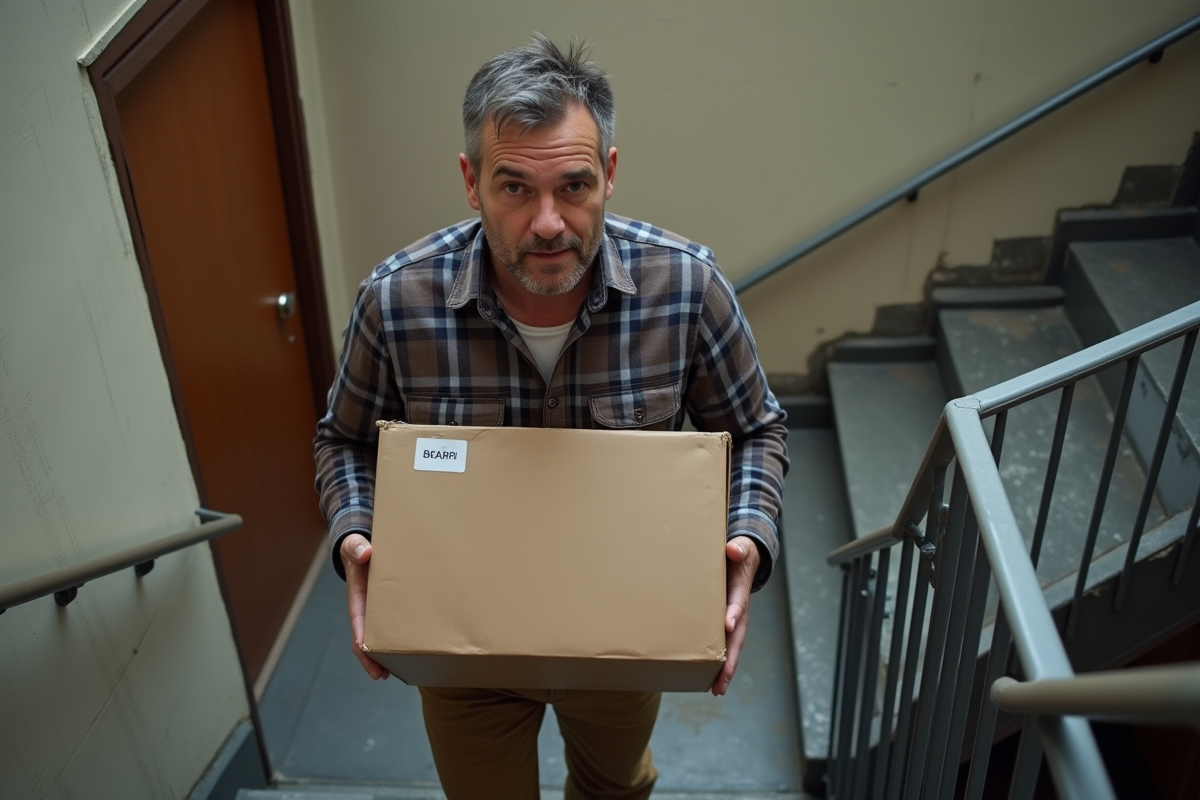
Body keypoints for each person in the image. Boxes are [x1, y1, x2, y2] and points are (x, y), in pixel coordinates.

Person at [314, 33, 788, 800]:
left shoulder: (688, 289)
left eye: (573, 186)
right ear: (471, 182)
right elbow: (344, 440)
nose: (547, 222)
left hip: (624, 638)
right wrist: (356, 535)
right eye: (514, 188)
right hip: (461, 650)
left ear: (609, 173)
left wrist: (748, 540)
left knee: (615, 787)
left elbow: (757, 429)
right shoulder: (396, 302)